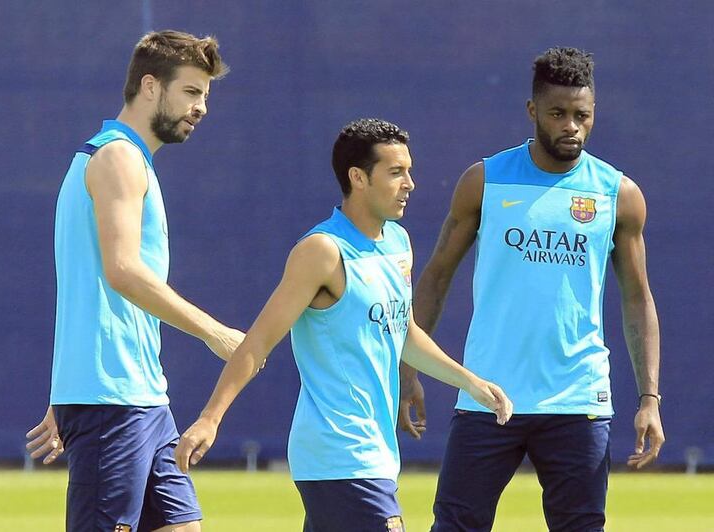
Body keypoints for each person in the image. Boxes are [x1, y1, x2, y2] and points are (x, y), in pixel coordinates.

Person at [176, 118, 513, 531]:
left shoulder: (398, 242)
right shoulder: (321, 251)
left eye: (409, 171)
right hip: (339, 454)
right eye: (395, 172)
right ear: (358, 177)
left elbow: (402, 332)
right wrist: (211, 418)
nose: (410, 183)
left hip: (373, 455)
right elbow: (259, 342)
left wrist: (470, 383)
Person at [398, 47, 665, 531]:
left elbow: (637, 298)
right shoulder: (485, 181)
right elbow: (436, 276)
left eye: (582, 115)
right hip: (486, 392)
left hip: (578, 400)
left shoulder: (618, 193)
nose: (571, 127)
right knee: (455, 525)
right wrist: (407, 369)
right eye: (558, 114)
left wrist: (650, 398)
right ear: (532, 112)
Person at [25, 30, 244, 532]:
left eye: (205, 96)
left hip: (139, 396)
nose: (201, 107)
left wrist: (71, 389)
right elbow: (121, 271)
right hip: (112, 400)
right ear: (151, 87)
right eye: (191, 92)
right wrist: (213, 331)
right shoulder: (117, 158)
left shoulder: (129, 159)